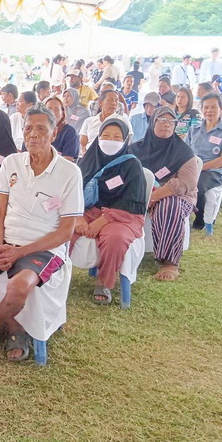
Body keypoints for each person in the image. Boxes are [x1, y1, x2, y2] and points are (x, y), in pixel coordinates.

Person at [0, 104, 83, 358]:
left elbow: (66, 232)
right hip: (5, 239)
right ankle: (14, 325)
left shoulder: (69, 173)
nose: (33, 135)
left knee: (19, 286)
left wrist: (19, 253)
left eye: (41, 129)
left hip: (44, 247)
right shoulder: (12, 163)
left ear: (54, 133)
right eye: (28, 128)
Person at [73, 118, 146, 304]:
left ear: (125, 140)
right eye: (105, 136)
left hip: (123, 215)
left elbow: (133, 200)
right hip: (88, 211)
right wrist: (78, 216)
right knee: (61, 228)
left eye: (116, 137)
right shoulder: (88, 160)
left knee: (116, 238)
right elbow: (73, 192)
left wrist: (104, 219)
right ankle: (54, 272)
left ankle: (103, 282)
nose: (110, 141)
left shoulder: (132, 165)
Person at [130, 107, 201, 281]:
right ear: (152, 122)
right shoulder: (135, 149)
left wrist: (153, 197)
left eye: (171, 121)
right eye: (162, 120)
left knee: (169, 206)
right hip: (140, 193)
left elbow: (185, 183)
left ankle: (170, 262)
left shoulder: (183, 152)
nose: (167, 124)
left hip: (177, 197)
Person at [185, 93, 222, 231]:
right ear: (202, 109)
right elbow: (184, 152)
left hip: (214, 171)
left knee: (199, 186)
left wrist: (200, 167)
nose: (209, 111)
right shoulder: (193, 130)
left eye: (213, 107)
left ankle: (200, 218)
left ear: (221, 108)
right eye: (206, 107)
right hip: (193, 168)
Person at [79, 89, 131, 156]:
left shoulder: (123, 120)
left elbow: (127, 142)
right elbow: (83, 144)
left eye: (116, 101)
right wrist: (84, 154)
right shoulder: (89, 121)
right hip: (90, 155)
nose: (114, 103)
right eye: (110, 100)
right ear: (100, 103)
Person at [42, 95, 80, 161]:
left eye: (57, 109)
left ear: (62, 113)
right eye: (49, 109)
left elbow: (68, 160)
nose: (53, 112)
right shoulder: (35, 130)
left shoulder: (70, 132)